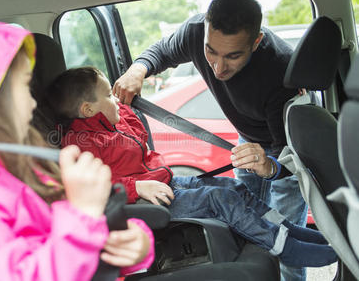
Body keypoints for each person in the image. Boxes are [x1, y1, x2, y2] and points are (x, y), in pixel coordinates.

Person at [0, 16, 154, 280]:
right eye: (26, 86)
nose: (33, 103)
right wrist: (82, 218)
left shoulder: (22, 166)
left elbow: (74, 234)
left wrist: (133, 241)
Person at [36, 66, 337, 269]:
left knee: (234, 186)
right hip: (148, 199)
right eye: (108, 96)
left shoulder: (114, 122)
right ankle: (286, 247)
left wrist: (123, 102)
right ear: (88, 109)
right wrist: (136, 187)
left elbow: (134, 131)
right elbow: (89, 185)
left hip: (167, 181)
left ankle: (287, 229)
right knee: (221, 199)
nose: (115, 100)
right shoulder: (83, 143)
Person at [112, 0, 308, 280]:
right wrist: (137, 70)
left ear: (256, 41)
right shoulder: (194, 32)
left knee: (285, 242)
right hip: (244, 143)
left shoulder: (280, 68)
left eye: (233, 56)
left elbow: (285, 156)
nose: (217, 67)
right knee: (248, 229)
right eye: (211, 51)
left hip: (283, 151)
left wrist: (270, 166)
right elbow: (162, 52)